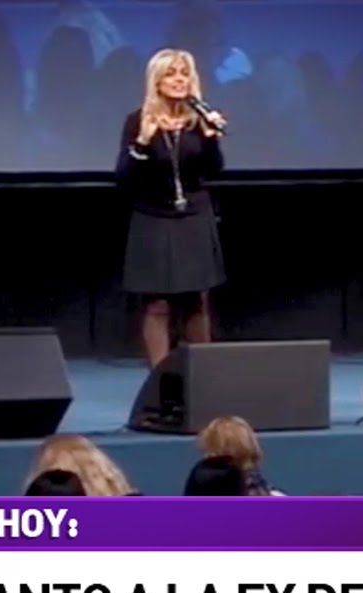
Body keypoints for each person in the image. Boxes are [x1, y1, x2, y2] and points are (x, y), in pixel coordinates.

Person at [115, 48, 228, 368]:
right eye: (171, 74)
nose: (179, 80)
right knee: (158, 305)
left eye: (185, 74)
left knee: (197, 300)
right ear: (157, 81)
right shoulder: (138, 120)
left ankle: (203, 377)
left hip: (193, 217)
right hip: (154, 218)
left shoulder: (198, 120)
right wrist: (142, 143)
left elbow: (213, 170)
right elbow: (124, 177)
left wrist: (211, 139)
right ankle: (160, 381)